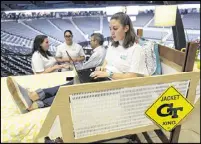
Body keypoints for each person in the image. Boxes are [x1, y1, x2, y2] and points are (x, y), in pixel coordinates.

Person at [7, 12, 151, 113]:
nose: (111, 32)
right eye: (110, 29)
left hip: (116, 85)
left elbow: (135, 76)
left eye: (115, 29)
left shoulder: (136, 49)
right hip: (105, 78)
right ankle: (36, 95)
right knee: (71, 83)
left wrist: (109, 73)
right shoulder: (114, 45)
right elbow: (107, 61)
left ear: (126, 28)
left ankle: (39, 102)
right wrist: (102, 67)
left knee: (73, 90)